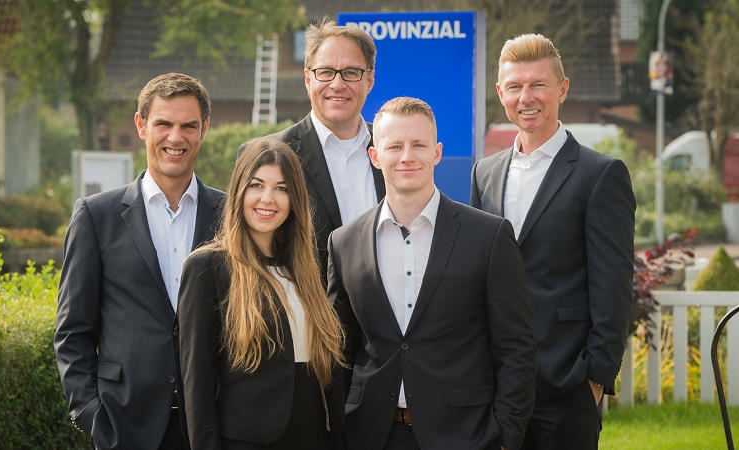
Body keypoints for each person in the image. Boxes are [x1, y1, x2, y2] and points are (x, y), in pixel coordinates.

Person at [328, 97, 537, 450]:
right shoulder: (344, 243)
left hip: (465, 435)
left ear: (437, 152)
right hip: (371, 435)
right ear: (375, 156)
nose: (407, 156)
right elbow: (339, 352)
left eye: (418, 145)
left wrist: (506, 436)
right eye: (394, 146)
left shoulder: (488, 236)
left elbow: (516, 347)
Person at [470, 34, 636, 450]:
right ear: (500, 93)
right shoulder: (484, 173)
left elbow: (613, 286)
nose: (526, 97)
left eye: (538, 85)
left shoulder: (601, 174)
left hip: (567, 387)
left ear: (562, 89)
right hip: (494, 384)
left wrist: (594, 381)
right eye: (515, 86)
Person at [54, 72, 225, 449]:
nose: (176, 137)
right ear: (141, 125)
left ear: (204, 129)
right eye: (163, 124)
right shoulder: (96, 216)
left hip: (214, 425)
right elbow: (72, 331)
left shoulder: (230, 216)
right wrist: (91, 415)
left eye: (188, 126)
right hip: (125, 426)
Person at [178, 138, 346, 450]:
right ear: (239, 191)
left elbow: (329, 373)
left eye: (282, 188)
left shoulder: (309, 270)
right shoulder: (207, 268)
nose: (268, 198)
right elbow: (197, 386)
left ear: (295, 199)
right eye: (256, 185)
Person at [241, 19, 385, 276]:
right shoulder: (267, 155)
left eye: (351, 72)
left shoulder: (393, 148)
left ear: (370, 80)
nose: (337, 84)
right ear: (308, 79)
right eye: (325, 72)